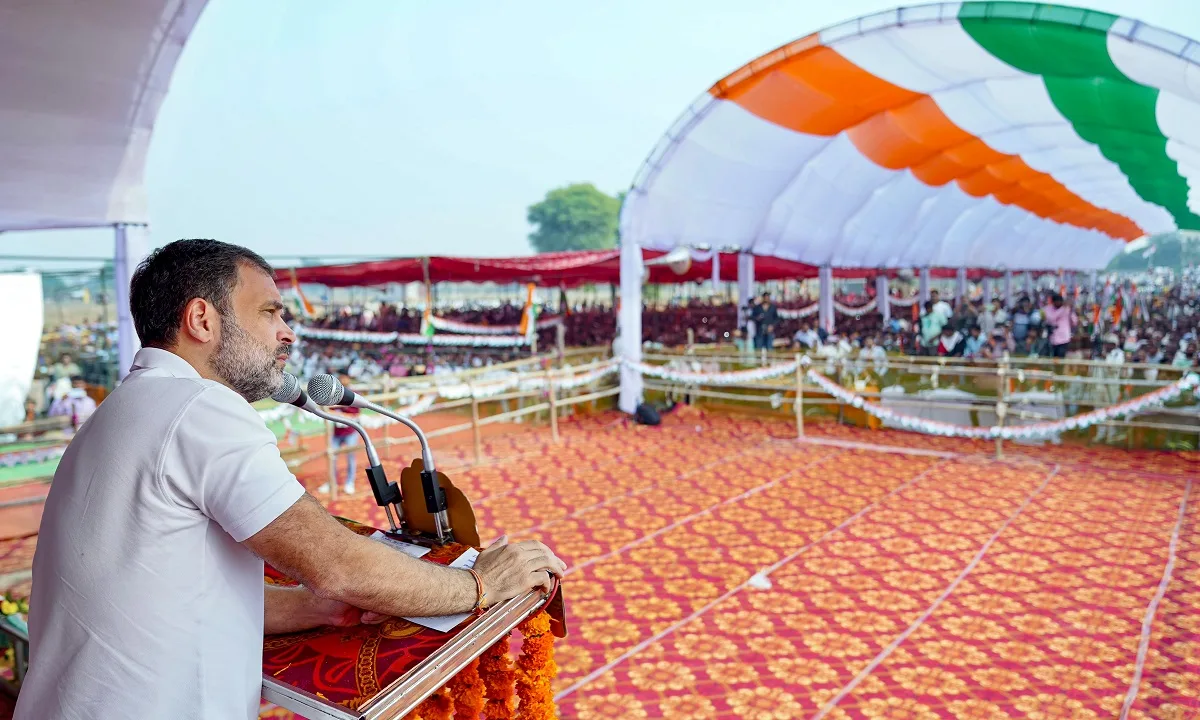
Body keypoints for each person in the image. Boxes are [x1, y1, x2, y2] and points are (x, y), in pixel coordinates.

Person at [16, 240, 565, 720]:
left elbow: (169, 591)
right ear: (202, 320)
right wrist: (480, 586)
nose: (288, 333)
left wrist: (313, 607)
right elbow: (338, 565)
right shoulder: (201, 407)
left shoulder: (123, 409)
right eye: (270, 312)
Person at [318, 373, 360, 496]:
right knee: (332, 458)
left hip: (350, 432)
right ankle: (331, 482)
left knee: (351, 458)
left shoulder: (354, 394)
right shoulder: (332, 393)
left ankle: (349, 483)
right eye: (340, 378)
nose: (342, 380)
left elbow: (355, 412)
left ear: (348, 378)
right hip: (336, 432)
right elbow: (327, 409)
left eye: (344, 377)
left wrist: (341, 410)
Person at [1041, 293, 1076, 358]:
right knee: (1051, 358)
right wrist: (1062, 309)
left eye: (1060, 301)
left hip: (1064, 338)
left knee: (1060, 358)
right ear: (1053, 302)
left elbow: (1074, 322)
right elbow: (1051, 319)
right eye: (1056, 301)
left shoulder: (1067, 309)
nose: (1058, 303)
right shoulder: (1048, 309)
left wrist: (1071, 311)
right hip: (1051, 338)